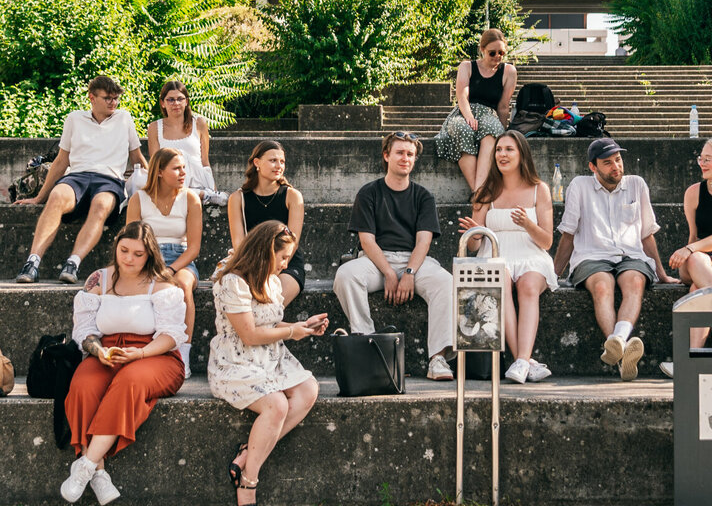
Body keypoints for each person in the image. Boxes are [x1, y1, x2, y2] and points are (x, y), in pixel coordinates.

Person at [62, 221, 187, 505]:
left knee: (129, 382)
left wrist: (139, 354)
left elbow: (171, 335)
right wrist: (98, 352)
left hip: (155, 354)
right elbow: (84, 330)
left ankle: (86, 464)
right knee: (83, 385)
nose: (129, 259)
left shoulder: (163, 283)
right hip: (107, 352)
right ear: (116, 247)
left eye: (138, 254)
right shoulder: (99, 279)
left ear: (150, 254)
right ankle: (100, 473)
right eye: (124, 251)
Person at [209, 221, 328, 506]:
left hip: (270, 356)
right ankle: (249, 480)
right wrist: (291, 334)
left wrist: (303, 326)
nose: (286, 265)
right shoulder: (233, 282)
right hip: (236, 360)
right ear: (264, 251)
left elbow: (271, 325)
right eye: (283, 258)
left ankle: (247, 454)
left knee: (308, 390)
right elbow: (248, 334)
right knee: (276, 405)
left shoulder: (273, 282)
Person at [334, 131, 456, 380]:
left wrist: (409, 273)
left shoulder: (423, 196)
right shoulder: (369, 192)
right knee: (345, 276)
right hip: (376, 261)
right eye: (399, 152)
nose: (405, 158)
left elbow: (424, 240)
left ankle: (438, 359)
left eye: (410, 154)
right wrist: (389, 272)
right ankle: (367, 343)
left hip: (414, 262)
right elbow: (366, 240)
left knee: (446, 282)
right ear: (386, 155)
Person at [554, 138, 679, 382]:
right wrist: (554, 274)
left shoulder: (636, 184)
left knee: (634, 282)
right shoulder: (579, 186)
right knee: (602, 286)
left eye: (618, 160)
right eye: (608, 162)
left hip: (630, 255)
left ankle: (618, 341)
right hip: (591, 256)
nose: (616, 167)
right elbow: (568, 235)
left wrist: (662, 273)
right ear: (593, 167)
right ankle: (623, 355)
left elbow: (647, 234)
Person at [14, 75, 148, 284]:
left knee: (101, 204)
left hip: (109, 179)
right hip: (77, 176)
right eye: (108, 98)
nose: (113, 102)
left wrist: (157, 185)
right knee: (57, 196)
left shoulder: (124, 118)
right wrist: (39, 197)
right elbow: (61, 160)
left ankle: (73, 263)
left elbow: (137, 157)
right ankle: (32, 262)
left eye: (116, 98)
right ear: (92, 98)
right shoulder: (75, 119)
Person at [458, 130, 556, 383]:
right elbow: (473, 246)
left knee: (528, 286)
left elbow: (546, 241)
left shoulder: (539, 190)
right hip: (494, 254)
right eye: (499, 150)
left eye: (509, 149)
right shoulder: (485, 192)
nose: (502, 154)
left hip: (531, 254)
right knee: (499, 279)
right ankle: (524, 361)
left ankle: (521, 360)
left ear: (521, 154)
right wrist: (474, 234)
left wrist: (527, 224)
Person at [125, 147, 203, 377]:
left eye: (184, 168)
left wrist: (170, 269)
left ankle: (183, 353)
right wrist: (147, 264)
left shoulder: (190, 199)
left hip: (180, 258)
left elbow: (194, 248)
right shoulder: (138, 199)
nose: (183, 173)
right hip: (146, 255)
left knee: (182, 285)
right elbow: (130, 239)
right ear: (159, 171)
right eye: (176, 168)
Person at [436, 28, 518, 192]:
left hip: (490, 113)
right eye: (492, 53)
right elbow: (462, 97)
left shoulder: (508, 71)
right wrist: (469, 117)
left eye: (501, 53)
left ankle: (478, 192)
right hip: (465, 111)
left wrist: (504, 132)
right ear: (482, 50)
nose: (497, 57)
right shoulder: (467, 67)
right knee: (461, 129)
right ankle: (479, 192)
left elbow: (503, 106)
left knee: (491, 130)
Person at [227, 141, 306, 305]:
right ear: (257, 163)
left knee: (271, 303)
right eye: (273, 160)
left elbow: (293, 242)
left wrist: (273, 269)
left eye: (282, 161)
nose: (279, 166)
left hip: (286, 264)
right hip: (250, 262)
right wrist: (257, 268)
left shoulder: (292, 196)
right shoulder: (237, 198)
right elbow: (239, 243)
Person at [664, 138, 712, 378]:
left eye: (708, 159)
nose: (702, 163)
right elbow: (693, 236)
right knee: (694, 263)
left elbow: (693, 245)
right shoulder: (694, 193)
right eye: (700, 158)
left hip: (700, 266)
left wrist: (691, 249)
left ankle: (691, 359)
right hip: (697, 261)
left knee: (698, 291)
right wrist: (690, 250)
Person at [146, 80, 227, 206]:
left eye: (180, 99)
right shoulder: (154, 128)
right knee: (174, 158)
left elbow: (205, 161)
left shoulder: (199, 123)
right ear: (162, 103)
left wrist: (214, 188)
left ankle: (205, 193)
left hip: (197, 178)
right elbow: (156, 165)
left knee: (180, 156)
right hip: (169, 180)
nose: (176, 103)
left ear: (186, 101)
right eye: (170, 100)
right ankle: (202, 194)